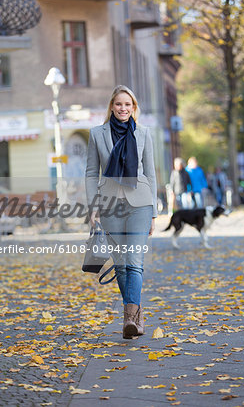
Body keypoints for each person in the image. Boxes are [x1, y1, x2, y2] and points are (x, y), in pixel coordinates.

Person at [85, 85, 157, 339]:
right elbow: (92, 172)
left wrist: (155, 212)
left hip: (140, 204)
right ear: (112, 106)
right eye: (118, 104)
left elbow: (150, 172)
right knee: (122, 265)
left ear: (133, 107)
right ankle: (135, 317)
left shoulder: (144, 133)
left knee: (135, 263)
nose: (123, 108)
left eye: (128, 104)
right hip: (110, 204)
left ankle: (131, 319)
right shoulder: (97, 134)